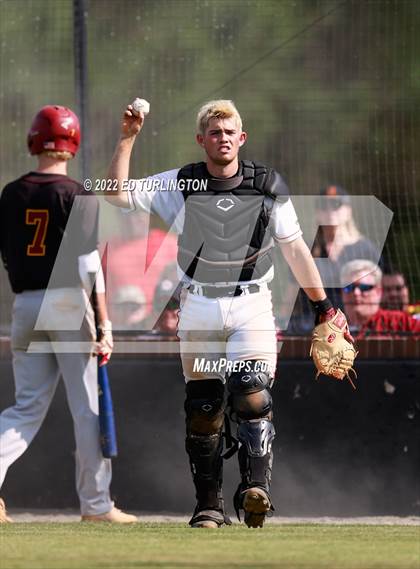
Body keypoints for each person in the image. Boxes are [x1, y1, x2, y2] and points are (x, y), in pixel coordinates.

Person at [105, 99, 351, 528]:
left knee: (250, 388)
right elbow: (114, 193)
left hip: (252, 303)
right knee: (203, 407)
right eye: (214, 133)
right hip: (198, 306)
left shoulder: (268, 184)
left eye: (229, 131)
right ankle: (209, 507)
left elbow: (294, 249)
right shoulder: (182, 182)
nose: (222, 139)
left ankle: (256, 491)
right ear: (202, 140)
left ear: (243, 137)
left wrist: (324, 308)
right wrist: (127, 138)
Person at [0, 105, 136, 524]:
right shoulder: (76, 194)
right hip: (67, 302)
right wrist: (105, 323)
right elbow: (89, 264)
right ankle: (96, 505)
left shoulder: (10, 193)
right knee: (85, 408)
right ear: (72, 144)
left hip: (24, 304)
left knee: (25, 409)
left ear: (34, 141)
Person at [281, 185, 381, 335]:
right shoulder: (305, 250)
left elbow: (380, 293)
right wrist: (281, 326)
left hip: (358, 328)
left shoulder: (366, 249)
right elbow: (290, 298)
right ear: (317, 213)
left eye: (336, 204)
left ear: (348, 211)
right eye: (323, 205)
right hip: (313, 327)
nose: (329, 210)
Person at [340, 260, 420, 338]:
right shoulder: (331, 327)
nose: (356, 293)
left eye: (364, 287)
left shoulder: (399, 322)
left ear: (379, 292)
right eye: (349, 287)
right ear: (341, 292)